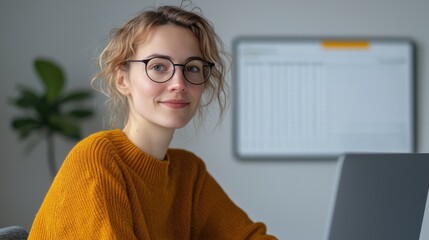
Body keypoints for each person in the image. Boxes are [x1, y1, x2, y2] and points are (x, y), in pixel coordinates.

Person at [28, 5, 277, 239]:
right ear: (122, 80)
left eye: (192, 68)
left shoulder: (188, 173)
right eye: (158, 66)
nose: (179, 83)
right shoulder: (97, 159)